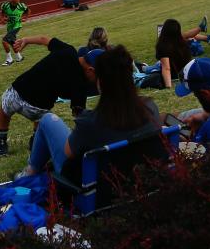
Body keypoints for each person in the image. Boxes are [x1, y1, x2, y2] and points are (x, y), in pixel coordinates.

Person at [18, 46, 162, 179]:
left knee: (48, 120)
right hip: (139, 180)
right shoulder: (150, 107)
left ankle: (30, 172)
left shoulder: (91, 122)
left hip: (93, 190)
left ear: (101, 83)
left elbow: (68, 153)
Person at [0, 34, 98, 158]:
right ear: (91, 70)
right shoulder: (81, 86)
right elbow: (78, 114)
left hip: (19, 90)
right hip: (39, 108)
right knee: (43, 120)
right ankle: (36, 140)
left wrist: (26, 40)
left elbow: (44, 39)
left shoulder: (68, 50)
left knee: (5, 109)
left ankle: (1, 142)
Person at [136, 19, 204, 90]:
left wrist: (168, 86)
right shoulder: (183, 40)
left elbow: (166, 68)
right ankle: (145, 68)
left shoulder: (163, 46)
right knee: (159, 64)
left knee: (158, 65)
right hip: (186, 70)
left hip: (174, 73)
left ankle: (145, 68)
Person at [0, 0, 29, 66]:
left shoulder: (21, 6)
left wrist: (24, 18)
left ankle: (9, 59)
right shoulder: (5, 5)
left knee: (4, 40)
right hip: (9, 27)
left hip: (17, 26)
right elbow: (2, 13)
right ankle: (19, 57)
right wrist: (2, 19)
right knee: (12, 42)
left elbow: (28, 11)